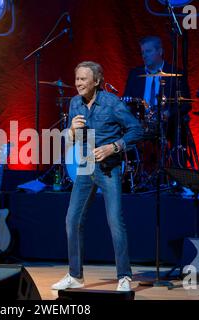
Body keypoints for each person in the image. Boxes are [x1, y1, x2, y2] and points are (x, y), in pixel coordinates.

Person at [51, 61, 144, 292]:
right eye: (77, 79)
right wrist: (71, 129)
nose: (78, 83)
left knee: (115, 221)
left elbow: (137, 130)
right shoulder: (74, 103)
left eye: (83, 79)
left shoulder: (112, 103)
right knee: (72, 220)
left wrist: (114, 146)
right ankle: (75, 275)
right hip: (84, 167)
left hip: (108, 168)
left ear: (97, 81)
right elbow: (71, 140)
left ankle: (124, 276)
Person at [124, 36, 192, 167]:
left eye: (148, 51)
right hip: (141, 123)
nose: (144, 55)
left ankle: (177, 174)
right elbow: (126, 101)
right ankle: (130, 175)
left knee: (180, 126)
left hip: (167, 124)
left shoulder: (176, 74)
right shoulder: (135, 74)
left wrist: (168, 114)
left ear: (160, 51)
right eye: (142, 52)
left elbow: (185, 105)